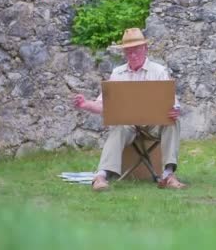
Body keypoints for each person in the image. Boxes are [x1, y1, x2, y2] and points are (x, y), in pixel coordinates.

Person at [73, 28, 186, 191]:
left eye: (136, 50)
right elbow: (104, 105)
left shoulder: (159, 71)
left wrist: (175, 110)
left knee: (172, 121)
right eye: (129, 51)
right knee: (119, 126)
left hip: (153, 124)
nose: (132, 55)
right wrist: (85, 104)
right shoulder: (117, 73)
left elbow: (172, 104)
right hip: (128, 125)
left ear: (145, 49)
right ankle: (100, 177)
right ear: (124, 52)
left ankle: (168, 175)